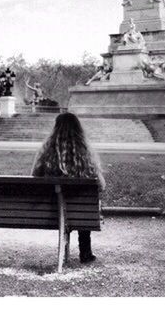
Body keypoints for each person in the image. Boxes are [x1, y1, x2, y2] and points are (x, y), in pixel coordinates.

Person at [31, 112, 106, 264]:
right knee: (83, 204)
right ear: (79, 130)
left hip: (51, 212)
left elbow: (34, 177)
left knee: (69, 202)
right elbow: (102, 186)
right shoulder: (85, 155)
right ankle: (85, 252)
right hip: (80, 213)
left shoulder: (46, 153)